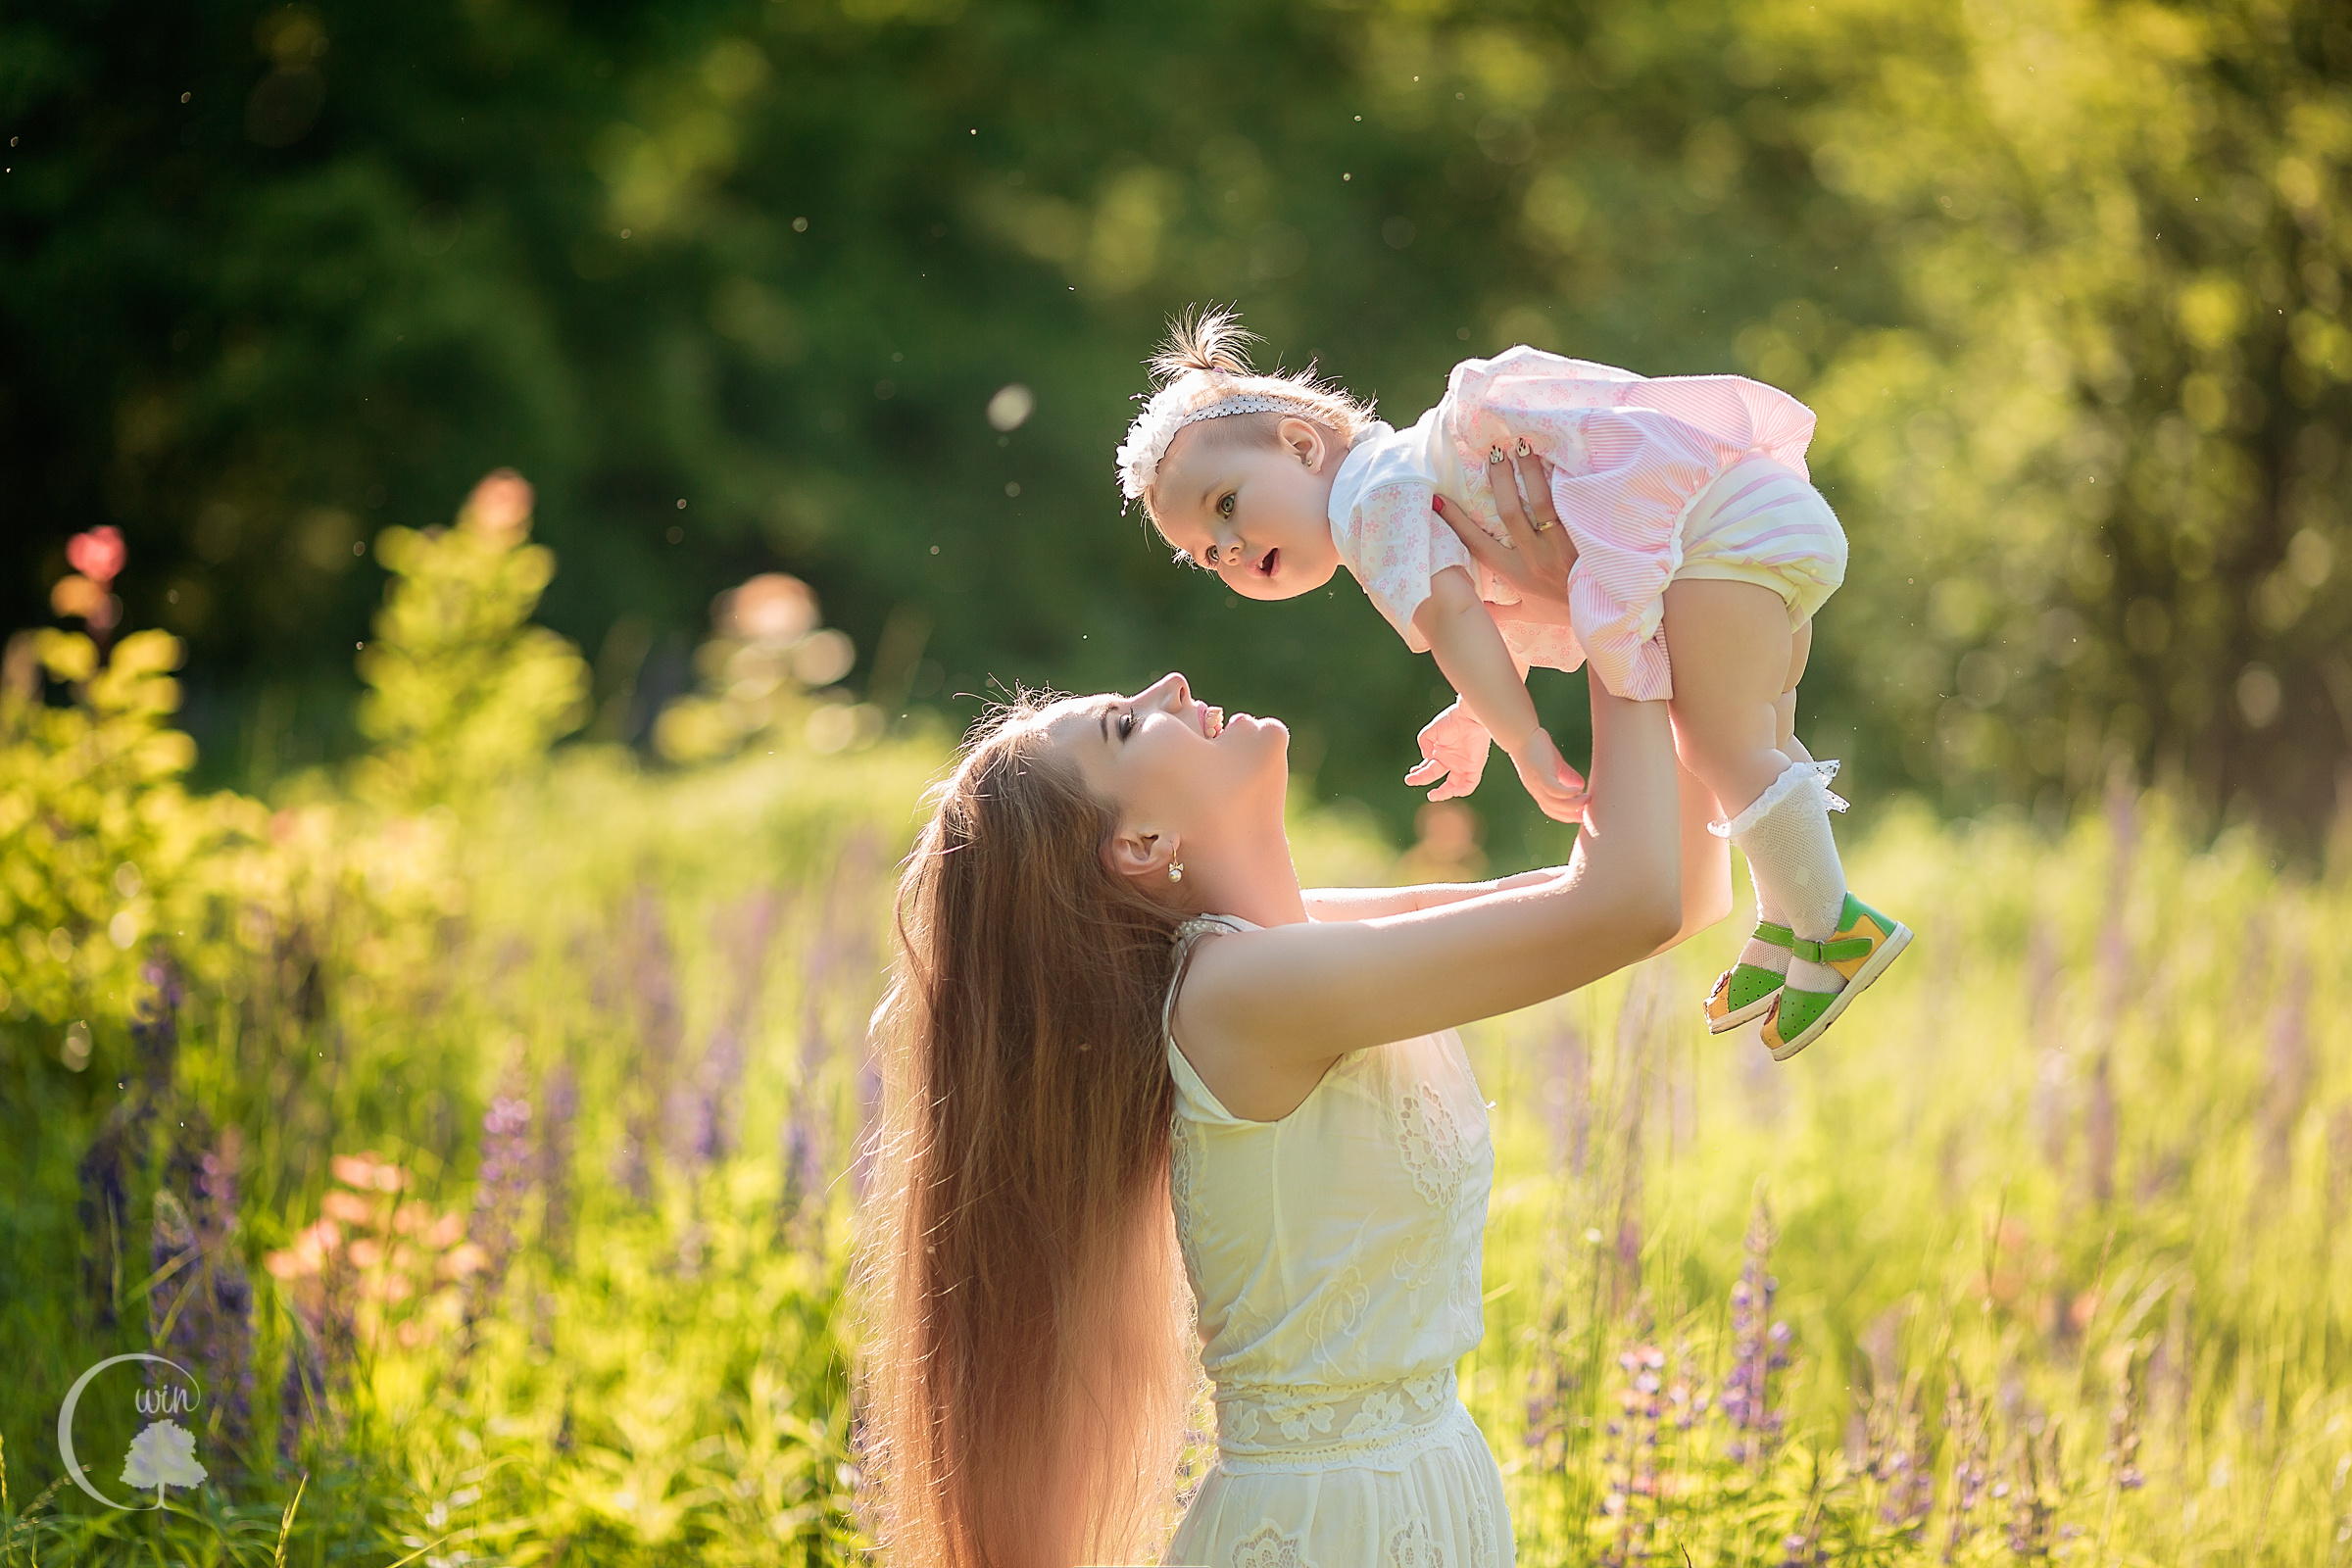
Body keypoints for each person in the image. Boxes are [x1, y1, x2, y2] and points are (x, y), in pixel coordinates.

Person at [858, 465, 1726, 1567]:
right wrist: (1620, 566)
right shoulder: (1241, 1000)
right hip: (1328, 1530)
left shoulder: (1296, 945)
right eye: (1129, 726)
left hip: (1430, 1486)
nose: (1172, 684)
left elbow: (1678, 895)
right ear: (1140, 848)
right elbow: (1631, 901)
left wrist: (1672, 602)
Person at [1115, 310, 1910, 1058]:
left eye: (1226, 507)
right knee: (1754, 736)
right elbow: (1500, 611)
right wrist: (1473, 710)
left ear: (1300, 446)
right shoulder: (1408, 470)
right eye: (1206, 553)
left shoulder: (1368, 506)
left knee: (1716, 741)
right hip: (1752, 521)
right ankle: (1791, 920)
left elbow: (1458, 619)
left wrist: (1522, 739)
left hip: (1712, 540)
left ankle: (1838, 928)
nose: (1228, 548)